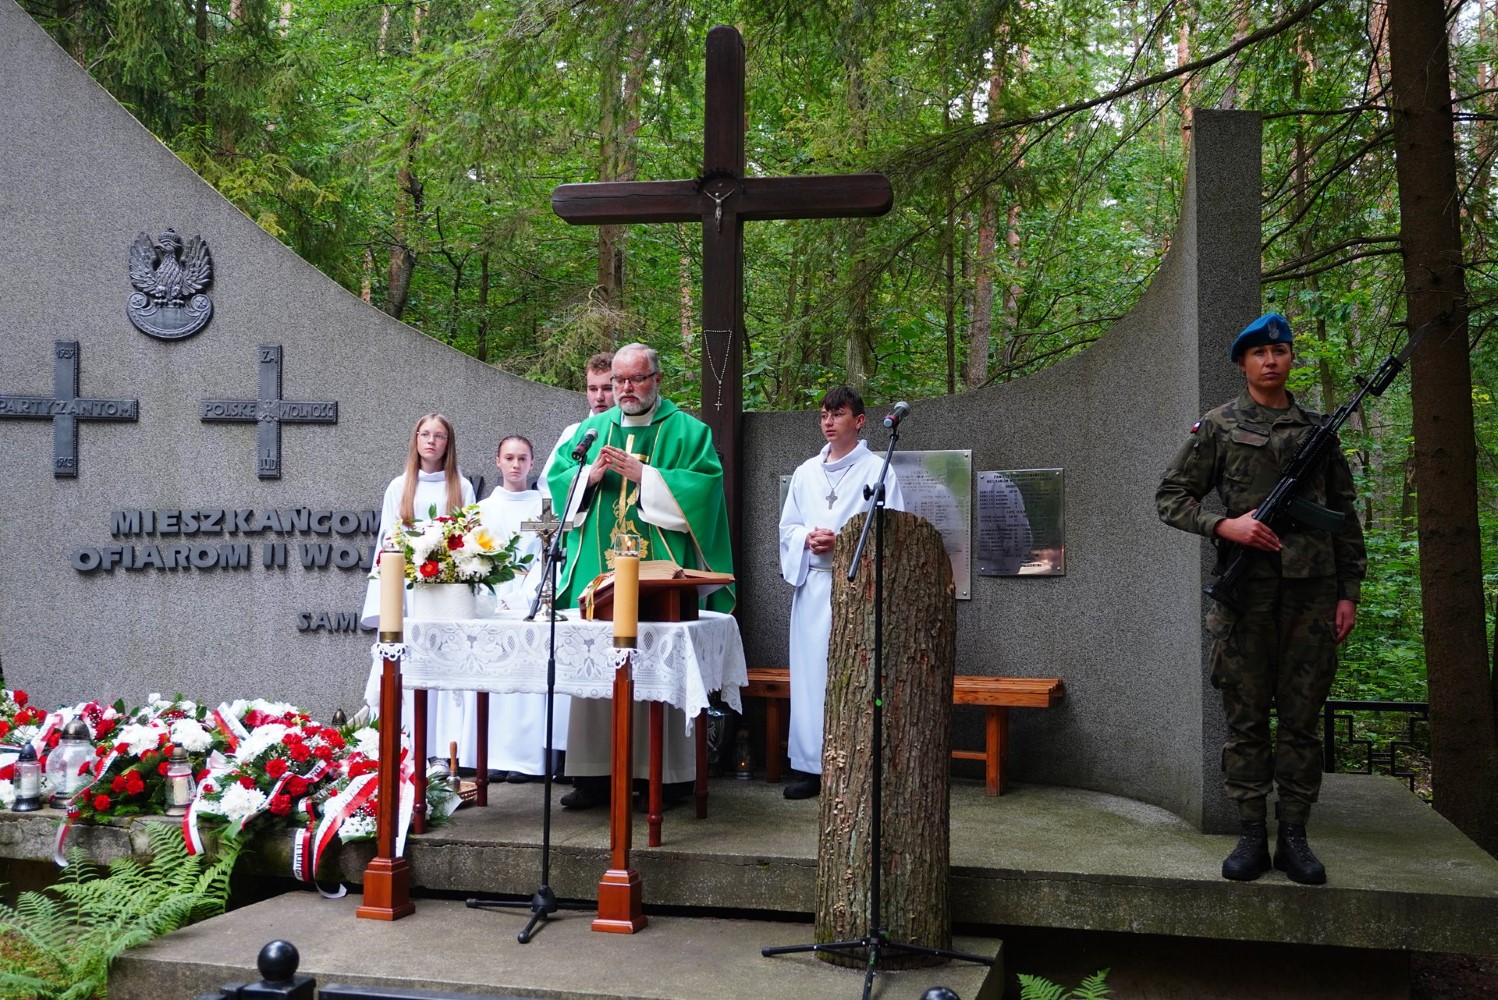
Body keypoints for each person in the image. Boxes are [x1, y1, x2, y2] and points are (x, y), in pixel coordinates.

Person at [1156, 313, 1366, 885]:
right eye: (1258, 353)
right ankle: (1251, 834)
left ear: (1291, 358)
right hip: (1245, 595)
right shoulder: (1219, 425)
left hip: (1312, 597)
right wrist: (1226, 525)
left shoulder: (1318, 430)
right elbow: (1170, 496)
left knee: (1302, 721)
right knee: (1245, 719)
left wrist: (1348, 593)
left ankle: (1294, 836)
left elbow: (1344, 517)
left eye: (1280, 351)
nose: (1270, 360)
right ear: (1242, 363)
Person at [546, 343, 734, 809]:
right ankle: (594, 776)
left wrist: (647, 476)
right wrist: (588, 477)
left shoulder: (689, 431)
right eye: (619, 381)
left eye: (635, 379)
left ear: (657, 379)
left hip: (660, 582)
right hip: (600, 577)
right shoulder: (591, 431)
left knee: (656, 668)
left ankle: (664, 778)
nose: (625, 389)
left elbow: (706, 490)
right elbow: (559, 480)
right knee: (597, 668)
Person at [778, 387, 905, 799]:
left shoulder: (878, 471)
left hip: (855, 588)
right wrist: (806, 538)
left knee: (852, 677)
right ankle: (810, 767)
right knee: (811, 678)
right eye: (824, 415)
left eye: (838, 414)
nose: (828, 421)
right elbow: (787, 527)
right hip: (813, 587)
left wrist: (844, 543)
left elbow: (894, 532)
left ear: (860, 421)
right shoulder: (805, 473)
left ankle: (855, 763)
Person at [359, 413, 477, 761]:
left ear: (448, 443)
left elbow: (469, 538)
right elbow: (387, 541)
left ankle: (446, 746)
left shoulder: (461, 486)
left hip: (446, 589)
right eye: (425, 434)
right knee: (410, 662)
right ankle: (406, 742)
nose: (431, 441)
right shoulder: (399, 486)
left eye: (438, 436)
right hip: (410, 588)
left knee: (443, 663)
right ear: (416, 440)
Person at [470, 435, 568, 782]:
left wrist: (529, 595)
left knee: (529, 679)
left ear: (532, 463)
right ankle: (495, 755)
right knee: (496, 678)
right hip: (493, 603)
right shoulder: (482, 509)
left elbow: (550, 556)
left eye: (522, 458)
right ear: (497, 461)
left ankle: (529, 760)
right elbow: (474, 557)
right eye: (509, 458)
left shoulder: (546, 506)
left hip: (532, 600)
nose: (515, 464)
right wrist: (493, 595)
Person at [537, 351, 615, 487]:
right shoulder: (573, 433)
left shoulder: (633, 431)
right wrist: (587, 477)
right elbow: (546, 487)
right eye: (593, 389)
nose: (599, 397)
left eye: (607, 388)